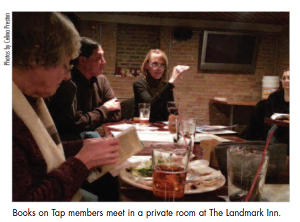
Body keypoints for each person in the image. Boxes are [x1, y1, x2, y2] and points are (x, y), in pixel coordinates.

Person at [12, 12, 120, 201]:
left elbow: (38, 156)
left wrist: (82, 146)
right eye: (64, 65)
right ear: (36, 58)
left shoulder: (29, 97)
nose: (65, 76)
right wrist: (83, 161)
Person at [45, 37, 121, 141]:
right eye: (99, 58)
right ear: (83, 60)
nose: (104, 62)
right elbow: (74, 125)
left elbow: (116, 112)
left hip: (95, 137)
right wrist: (105, 109)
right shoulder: (66, 82)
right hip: (72, 142)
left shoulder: (101, 80)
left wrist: (90, 119)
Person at [241, 69, 289, 154]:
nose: (286, 80)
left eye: (289, 78)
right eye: (284, 78)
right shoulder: (275, 96)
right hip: (275, 127)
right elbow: (269, 116)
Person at [133, 49, 189, 122]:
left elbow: (172, 112)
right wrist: (171, 83)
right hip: (144, 128)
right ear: (146, 65)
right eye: (155, 64)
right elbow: (150, 107)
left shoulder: (166, 86)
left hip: (161, 129)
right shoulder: (139, 84)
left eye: (162, 65)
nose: (159, 68)